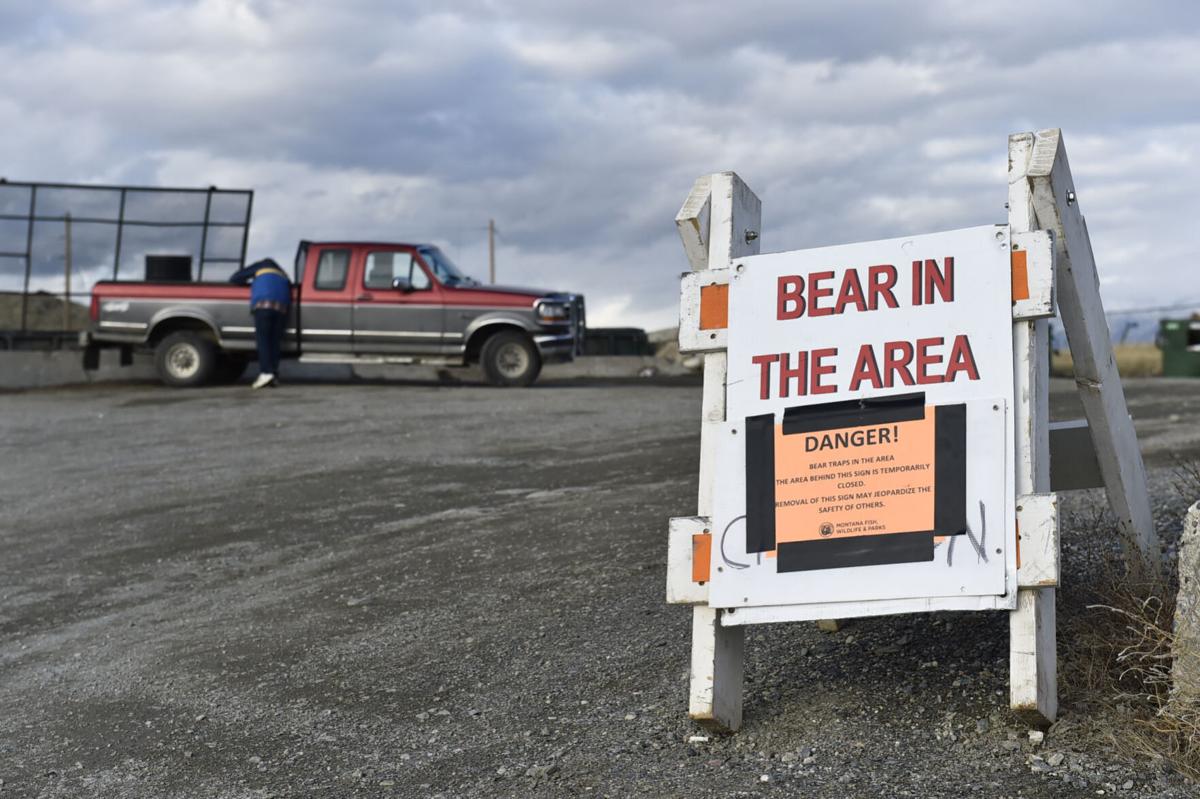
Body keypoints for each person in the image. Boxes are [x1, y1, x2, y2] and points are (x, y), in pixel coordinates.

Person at [229, 258, 291, 389]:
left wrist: (253, 283)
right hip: (281, 308)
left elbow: (235, 278)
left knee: (263, 341)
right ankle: (273, 374)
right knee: (274, 342)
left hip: (263, 306)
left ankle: (265, 372)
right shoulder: (282, 273)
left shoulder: (260, 267)